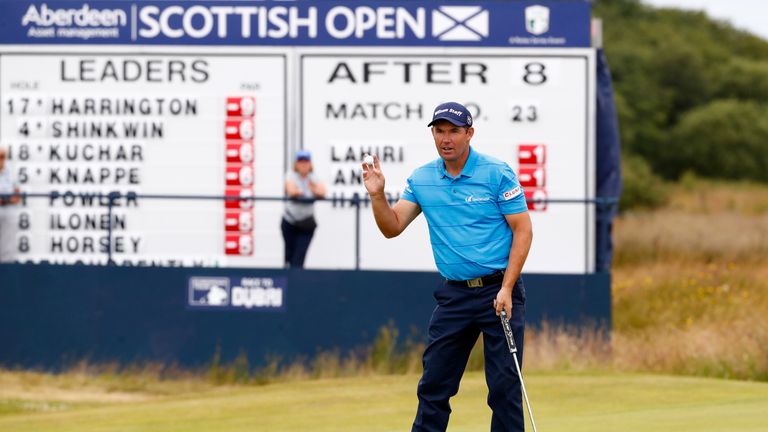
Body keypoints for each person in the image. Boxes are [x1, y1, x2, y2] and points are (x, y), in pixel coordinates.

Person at [362, 102, 533, 432]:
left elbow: (522, 229)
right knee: (434, 385)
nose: (446, 138)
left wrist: (508, 288)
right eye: (439, 131)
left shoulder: (497, 173)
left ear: (469, 133)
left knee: (504, 388)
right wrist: (378, 197)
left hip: (499, 291)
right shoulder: (423, 179)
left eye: (454, 131)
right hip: (454, 295)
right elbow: (392, 227)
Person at [281, 150, 326, 268]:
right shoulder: (291, 175)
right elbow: (291, 190)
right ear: (296, 164)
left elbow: (322, 191)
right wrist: (306, 191)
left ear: (310, 163)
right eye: (300, 161)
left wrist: (312, 190)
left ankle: (295, 282)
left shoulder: (313, 177)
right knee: (289, 256)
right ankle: (289, 280)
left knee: (298, 258)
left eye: (306, 161)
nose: (303, 164)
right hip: (290, 222)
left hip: (306, 224)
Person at [0, 147, 21, 262]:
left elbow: (17, 194)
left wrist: (7, 200)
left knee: (8, 242)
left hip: (8, 209)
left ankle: (6, 265)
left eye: (2, 157)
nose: (1, 160)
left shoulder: (11, 173)